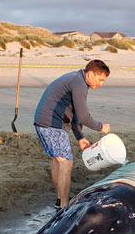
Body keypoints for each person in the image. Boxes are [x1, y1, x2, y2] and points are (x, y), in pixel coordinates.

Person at [34, 59, 112, 208]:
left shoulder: (78, 80)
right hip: (51, 124)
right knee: (66, 162)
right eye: (100, 79)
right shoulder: (79, 83)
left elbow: (75, 114)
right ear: (90, 74)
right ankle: (64, 206)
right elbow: (83, 116)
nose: (101, 84)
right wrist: (101, 127)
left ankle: (59, 200)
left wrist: (80, 137)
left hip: (47, 122)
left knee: (59, 160)